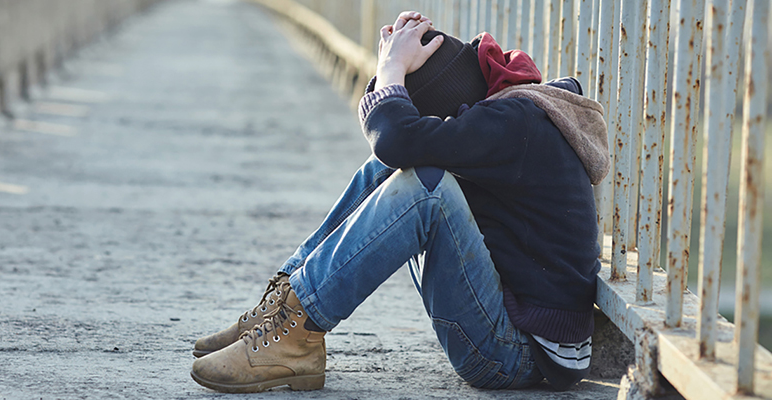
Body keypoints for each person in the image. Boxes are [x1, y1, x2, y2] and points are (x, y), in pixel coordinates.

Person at [189, 11, 608, 393]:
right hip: (504, 320)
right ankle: (283, 309)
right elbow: (395, 148)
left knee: (427, 188)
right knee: (389, 169)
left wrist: (392, 69)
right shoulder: (509, 110)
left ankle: (298, 331)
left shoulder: (515, 121)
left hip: (517, 355)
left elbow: (398, 139)